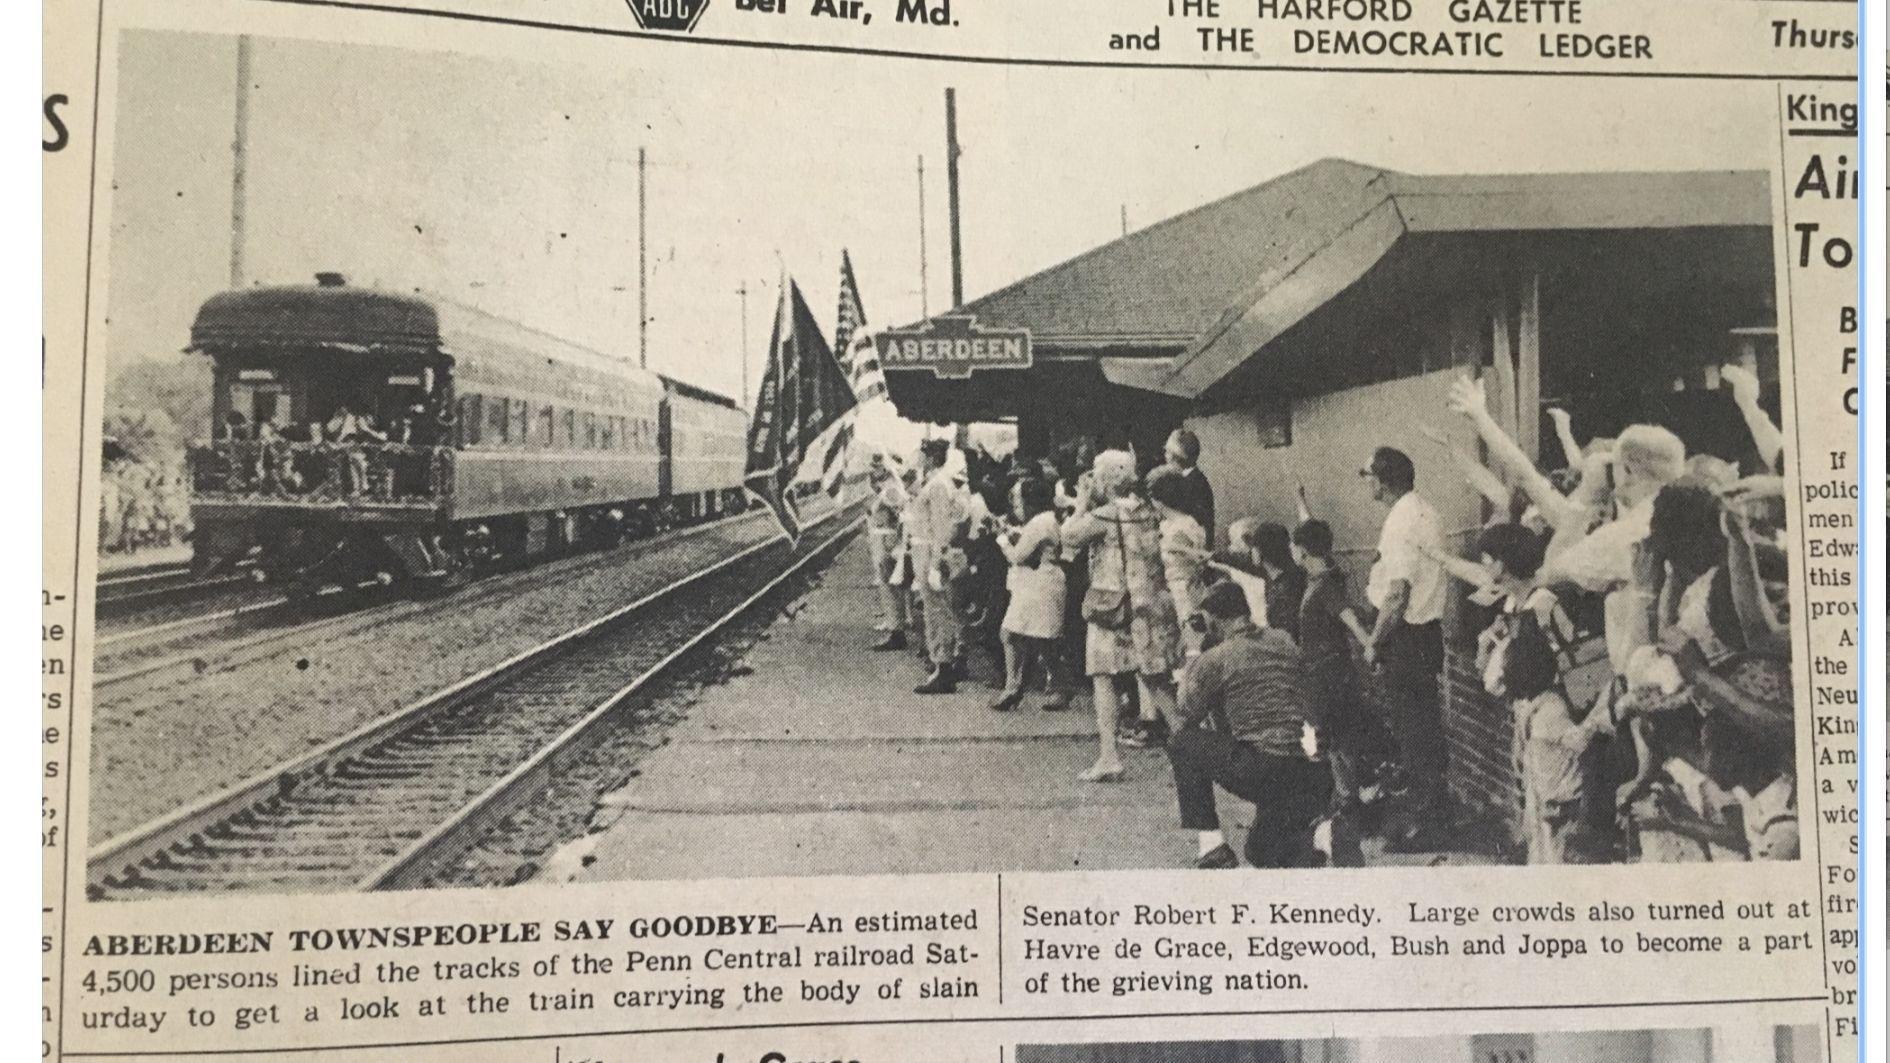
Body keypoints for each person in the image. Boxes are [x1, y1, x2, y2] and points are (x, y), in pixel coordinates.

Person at [1166, 581, 1331, 868]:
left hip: (1262, 768)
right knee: (1260, 852)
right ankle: (1322, 837)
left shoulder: (1218, 658)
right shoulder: (1283, 640)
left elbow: (1185, 711)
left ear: (1210, 619)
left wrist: (1193, 651)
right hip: (1308, 772)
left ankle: (1211, 845)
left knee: (1182, 742)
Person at [1060, 449, 1182, 780]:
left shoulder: (1105, 515)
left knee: (1104, 678)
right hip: (1148, 604)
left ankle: (1109, 757)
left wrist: (1081, 503)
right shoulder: (1149, 511)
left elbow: (1068, 535)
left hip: (1111, 608)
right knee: (1155, 679)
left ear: (1105, 480)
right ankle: (1190, 749)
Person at [1359, 445, 1450, 851]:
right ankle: (1430, 813)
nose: (1368, 484)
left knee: (1415, 732)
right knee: (1422, 727)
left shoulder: (1402, 522)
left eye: (1369, 477)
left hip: (1407, 638)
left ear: (1382, 481)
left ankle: (1427, 824)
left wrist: (1374, 642)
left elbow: (1397, 595)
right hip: (1423, 636)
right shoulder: (1423, 511)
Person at [1291, 519, 1374, 864]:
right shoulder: (1324, 575)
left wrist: (1369, 644)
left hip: (1327, 674)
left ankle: (1344, 803)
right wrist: (1301, 502)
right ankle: (1343, 800)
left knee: (1330, 738)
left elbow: (1347, 616)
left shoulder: (1325, 586)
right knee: (1332, 740)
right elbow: (1312, 533)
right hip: (1322, 671)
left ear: (1302, 551)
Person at [1496, 607, 1607, 864]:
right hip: (1559, 796)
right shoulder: (1552, 708)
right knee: (1557, 854)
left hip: (1541, 793)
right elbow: (1580, 741)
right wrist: (1604, 709)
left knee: (1544, 852)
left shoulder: (1526, 705)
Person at [993, 477, 1067, 712]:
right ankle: (1036, 686)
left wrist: (1002, 539)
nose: (1017, 508)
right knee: (1039, 639)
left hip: (1039, 584)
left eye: (1018, 502)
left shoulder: (1039, 523)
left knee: (1020, 635)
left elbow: (1018, 556)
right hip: (1039, 582)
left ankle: (1014, 687)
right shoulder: (1047, 519)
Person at [908, 438, 967, 694]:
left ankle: (943, 666)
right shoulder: (934, 482)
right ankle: (939, 664)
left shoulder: (939, 485)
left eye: (922, 455)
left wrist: (934, 564)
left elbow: (941, 527)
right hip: (922, 550)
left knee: (937, 610)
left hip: (929, 552)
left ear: (931, 458)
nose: (919, 459)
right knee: (933, 608)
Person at [1146, 467, 1209, 668]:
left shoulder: (1176, 528)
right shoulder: (1189, 522)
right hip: (1186, 586)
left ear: (1158, 500)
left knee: (1190, 638)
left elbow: (1196, 556)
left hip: (1181, 588)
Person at [866, 457, 910, 651]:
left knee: (890, 586)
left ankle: (896, 632)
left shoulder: (892, 489)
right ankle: (894, 626)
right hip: (880, 539)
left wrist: (898, 541)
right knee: (887, 586)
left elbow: (901, 513)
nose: (873, 470)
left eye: (877, 466)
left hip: (886, 540)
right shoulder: (886, 487)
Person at [1161, 428, 1215, 536]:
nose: (1166, 457)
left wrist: (1162, 509)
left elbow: (1195, 523)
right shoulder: (1183, 479)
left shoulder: (1198, 483)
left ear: (1179, 456)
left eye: (1168, 452)